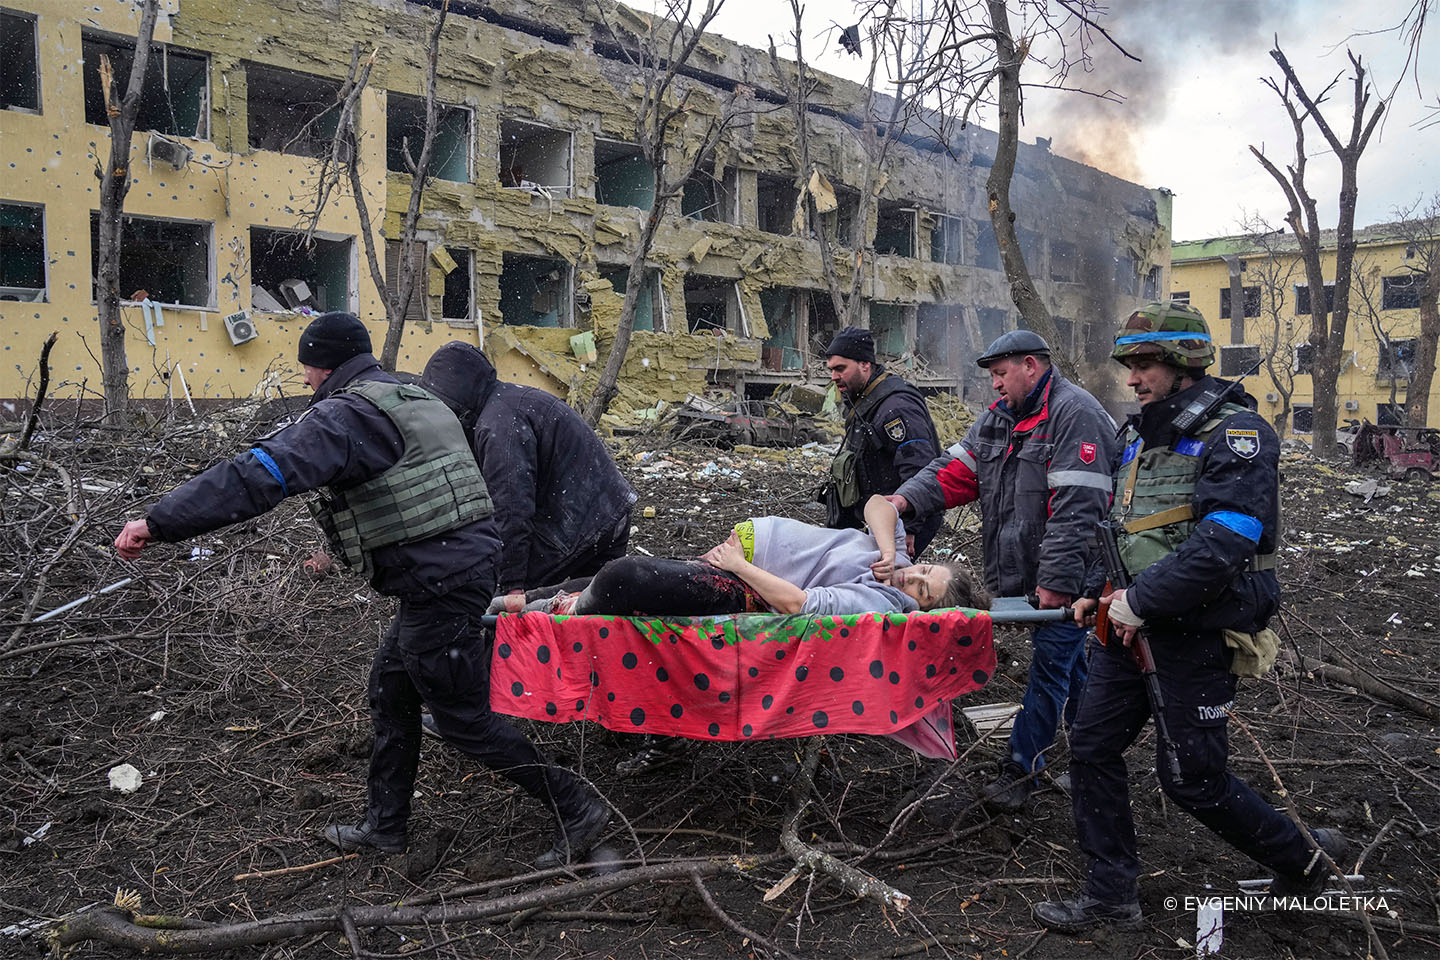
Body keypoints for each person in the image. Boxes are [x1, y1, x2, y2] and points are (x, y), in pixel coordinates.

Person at [114, 312, 608, 868]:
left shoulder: (346, 417)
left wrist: (159, 523)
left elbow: (260, 475)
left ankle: (577, 806)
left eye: (305, 368)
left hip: (442, 579)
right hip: (452, 570)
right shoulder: (406, 393)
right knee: (391, 692)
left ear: (319, 365)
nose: (304, 381)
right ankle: (384, 826)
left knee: (462, 717)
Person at [1034, 302, 1347, 932]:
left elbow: (1227, 539)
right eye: (1131, 365)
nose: (1133, 377)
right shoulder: (1138, 437)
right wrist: (1102, 594)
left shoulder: (1237, 434)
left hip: (1195, 635)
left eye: (1145, 363)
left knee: (1193, 781)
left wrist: (1140, 601)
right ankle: (1110, 897)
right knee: (1091, 747)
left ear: (1184, 363)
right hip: (1126, 629)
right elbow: (1127, 535)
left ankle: (1309, 866)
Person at [888, 329, 1114, 811]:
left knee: (1052, 665)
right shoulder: (998, 420)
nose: (994, 385)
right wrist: (904, 501)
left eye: (1000, 374)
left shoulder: (1077, 416)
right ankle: (1094, 751)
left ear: (1031, 366)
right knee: (1069, 663)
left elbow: (1079, 510)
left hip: (1070, 577)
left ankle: (1022, 767)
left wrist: (1056, 582)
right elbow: (953, 471)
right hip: (1025, 573)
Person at [511, 495, 982, 618]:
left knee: (625, 576)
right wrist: (887, 549)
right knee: (631, 576)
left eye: (922, 591)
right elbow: (880, 504)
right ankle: (519, 599)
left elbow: (800, 604)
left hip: (747, 584)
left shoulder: (881, 604)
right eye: (923, 571)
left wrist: (739, 566)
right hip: (742, 556)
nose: (911, 580)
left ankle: (548, 610)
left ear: (922, 611)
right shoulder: (893, 558)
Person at [421, 341, 637, 600]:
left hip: (578, 523)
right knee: (593, 612)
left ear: (456, 400)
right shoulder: (507, 403)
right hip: (607, 511)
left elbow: (511, 507)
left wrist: (511, 585)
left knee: (503, 605)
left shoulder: (499, 425)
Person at [819, 326, 943, 556]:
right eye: (832, 370)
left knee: (887, 584)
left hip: (899, 521)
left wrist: (908, 527)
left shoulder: (895, 408)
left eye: (840, 369)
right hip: (878, 518)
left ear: (865, 364)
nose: (834, 377)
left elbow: (918, 468)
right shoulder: (865, 400)